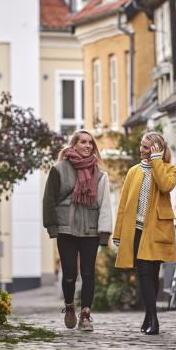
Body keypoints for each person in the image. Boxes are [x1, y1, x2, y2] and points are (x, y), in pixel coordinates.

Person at [43, 129, 112, 331]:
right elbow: (48, 200)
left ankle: (86, 315)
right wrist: (52, 227)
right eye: (83, 142)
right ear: (74, 144)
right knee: (70, 274)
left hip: (90, 230)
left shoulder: (100, 175)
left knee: (88, 273)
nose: (87, 146)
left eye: (90, 143)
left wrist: (104, 232)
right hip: (66, 230)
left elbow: (105, 205)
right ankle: (70, 306)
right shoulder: (58, 170)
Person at [113, 131, 176, 335]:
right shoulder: (133, 171)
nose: (142, 149)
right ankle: (153, 319)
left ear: (157, 149)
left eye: (147, 147)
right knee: (143, 275)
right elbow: (123, 205)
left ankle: (150, 316)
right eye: (142, 145)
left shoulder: (169, 169)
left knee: (152, 274)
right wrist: (118, 233)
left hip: (157, 230)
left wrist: (157, 161)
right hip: (137, 231)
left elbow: (165, 186)